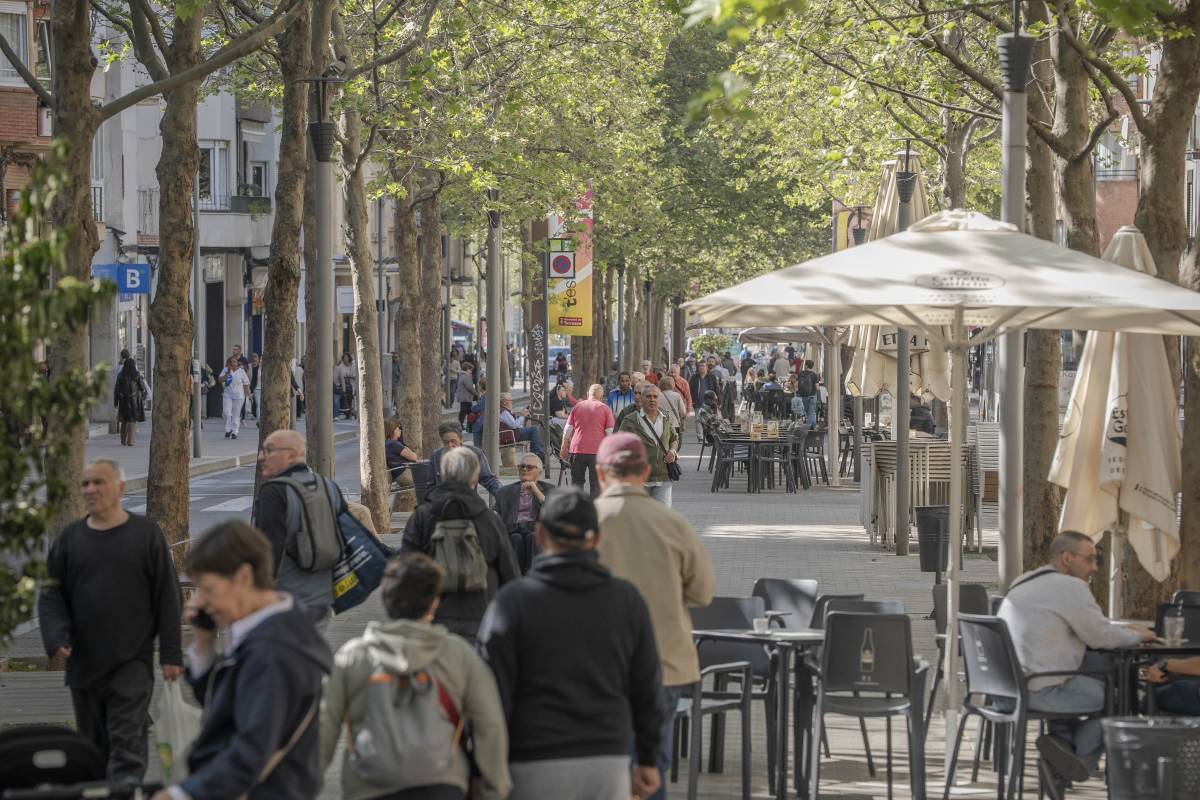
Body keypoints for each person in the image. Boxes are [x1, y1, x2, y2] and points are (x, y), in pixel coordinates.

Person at [477, 489, 663, 800]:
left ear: (539, 534)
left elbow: (489, 690)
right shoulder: (626, 600)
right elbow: (648, 687)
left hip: (531, 760)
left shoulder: (513, 602)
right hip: (607, 760)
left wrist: (483, 766)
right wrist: (648, 758)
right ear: (596, 538)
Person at [154, 521, 331, 800]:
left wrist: (183, 794)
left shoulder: (272, 652)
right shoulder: (276, 625)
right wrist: (204, 644)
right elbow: (228, 706)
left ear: (244, 577)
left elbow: (252, 749)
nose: (200, 602)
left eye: (209, 589)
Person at [319, 554, 511, 800]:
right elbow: (489, 725)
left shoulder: (353, 657)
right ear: (434, 604)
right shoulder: (458, 655)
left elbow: (323, 730)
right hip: (442, 782)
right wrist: (493, 790)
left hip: (368, 785)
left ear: (383, 598)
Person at [39, 459, 183, 785]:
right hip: (83, 664)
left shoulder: (146, 535)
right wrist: (56, 635)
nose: (90, 490)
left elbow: (167, 598)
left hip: (131, 661)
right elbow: (51, 594)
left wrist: (172, 655)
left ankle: (124, 790)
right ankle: (100, 790)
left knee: (127, 739)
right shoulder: (70, 539)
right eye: (86, 484)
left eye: (98, 483)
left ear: (119, 488)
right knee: (92, 746)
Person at [594, 433, 716, 799]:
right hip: (665, 664)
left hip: (599, 668)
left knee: (605, 766)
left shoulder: (585, 521)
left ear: (601, 473)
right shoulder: (672, 523)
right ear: (646, 472)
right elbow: (703, 592)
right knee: (651, 765)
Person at [998, 531, 1156, 795]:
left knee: (1085, 681)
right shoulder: (1070, 587)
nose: (1095, 567)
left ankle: (1059, 753)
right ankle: (1074, 763)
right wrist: (1139, 635)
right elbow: (1101, 636)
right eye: (1090, 559)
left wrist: (1120, 630)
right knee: (1123, 700)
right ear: (1067, 557)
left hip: (1005, 690)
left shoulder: (1025, 580)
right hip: (1040, 690)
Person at [400, 446, 519, 642]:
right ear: (475, 476)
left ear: (443, 474)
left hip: (432, 615)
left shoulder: (423, 516)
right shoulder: (488, 519)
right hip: (482, 613)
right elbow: (509, 571)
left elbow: (406, 566)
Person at [252, 430, 345, 628]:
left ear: (292, 455)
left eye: (269, 450)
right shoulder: (328, 486)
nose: (261, 457)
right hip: (323, 597)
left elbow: (269, 548)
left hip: (285, 600)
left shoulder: (274, 492)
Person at [617, 383, 680, 506]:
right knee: (641, 519)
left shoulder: (665, 417)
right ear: (642, 398)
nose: (652, 399)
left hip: (663, 477)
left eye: (655, 397)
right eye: (649, 396)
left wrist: (672, 451)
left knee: (662, 518)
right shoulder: (630, 420)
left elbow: (674, 438)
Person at [560, 383, 617, 496]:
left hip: (577, 450)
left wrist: (563, 447)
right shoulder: (605, 409)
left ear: (587, 395)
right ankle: (593, 511)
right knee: (596, 484)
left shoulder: (577, 407)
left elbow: (567, 429)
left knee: (577, 482)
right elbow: (609, 433)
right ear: (601, 396)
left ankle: (578, 508)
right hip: (597, 452)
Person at [429, 421, 503, 497]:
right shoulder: (436, 456)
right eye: (446, 442)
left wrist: (504, 494)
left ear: (461, 439)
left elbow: (488, 479)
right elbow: (430, 486)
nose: (450, 445)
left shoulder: (475, 453)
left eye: (453, 441)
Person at [499, 393, 545, 458]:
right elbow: (514, 425)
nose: (512, 402)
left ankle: (535, 454)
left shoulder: (504, 411)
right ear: (504, 402)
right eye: (511, 400)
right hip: (510, 435)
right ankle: (537, 454)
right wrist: (522, 416)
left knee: (533, 432)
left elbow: (513, 423)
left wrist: (521, 415)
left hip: (511, 433)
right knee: (534, 429)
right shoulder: (504, 412)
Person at [114, 356, 147, 447]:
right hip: (134, 401)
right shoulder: (136, 374)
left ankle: (123, 440)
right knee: (132, 420)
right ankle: (131, 441)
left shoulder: (120, 375)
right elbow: (142, 387)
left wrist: (115, 402)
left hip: (123, 400)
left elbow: (116, 389)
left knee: (124, 420)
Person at [218, 356, 251, 439]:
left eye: (235, 362)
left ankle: (235, 432)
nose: (233, 363)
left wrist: (249, 395)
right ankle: (228, 429)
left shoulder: (241, 371)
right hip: (227, 395)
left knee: (236, 414)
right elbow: (220, 380)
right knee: (227, 413)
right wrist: (228, 372)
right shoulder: (225, 370)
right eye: (231, 362)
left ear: (237, 363)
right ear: (228, 363)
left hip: (239, 395)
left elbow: (246, 384)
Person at [385, 417, 419, 488]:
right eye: (398, 427)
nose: (400, 430)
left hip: (402, 476)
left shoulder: (387, 443)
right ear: (392, 429)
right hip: (406, 475)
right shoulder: (393, 444)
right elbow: (414, 457)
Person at [658, 376, 686, 441]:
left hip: (660, 424)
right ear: (673, 385)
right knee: (674, 444)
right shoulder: (677, 395)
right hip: (674, 424)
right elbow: (683, 412)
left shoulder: (657, 395)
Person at [795, 359, 821, 428]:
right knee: (812, 412)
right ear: (812, 366)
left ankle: (813, 426)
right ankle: (808, 428)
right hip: (812, 395)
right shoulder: (814, 375)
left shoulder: (801, 373)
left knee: (807, 412)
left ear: (806, 365)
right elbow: (817, 387)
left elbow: (797, 385)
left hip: (803, 396)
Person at [455, 360, 478, 428]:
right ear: (467, 369)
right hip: (466, 397)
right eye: (470, 370)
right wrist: (476, 393)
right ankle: (462, 424)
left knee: (468, 411)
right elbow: (469, 387)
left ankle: (470, 424)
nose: (471, 371)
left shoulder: (461, 375)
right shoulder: (466, 376)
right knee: (465, 411)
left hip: (463, 396)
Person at [334, 352, 357, 420]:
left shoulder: (352, 365)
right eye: (344, 358)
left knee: (350, 398)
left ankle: (350, 413)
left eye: (347, 357)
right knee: (344, 398)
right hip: (342, 384)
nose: (345, 359)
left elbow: (354, 375)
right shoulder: (340, 366)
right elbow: (339, 376)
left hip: (351, 384)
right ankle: (344, 412)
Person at [247, 352, 261, 420]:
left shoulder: (259, 367)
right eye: (253, 360)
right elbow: (248, 376)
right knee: (254, 401)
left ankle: (257, 415)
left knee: (257, 403)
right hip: (251, 385)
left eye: (256, 360)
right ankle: (255, 414)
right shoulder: (249, 366)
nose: (254, 362)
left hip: (256, 386)